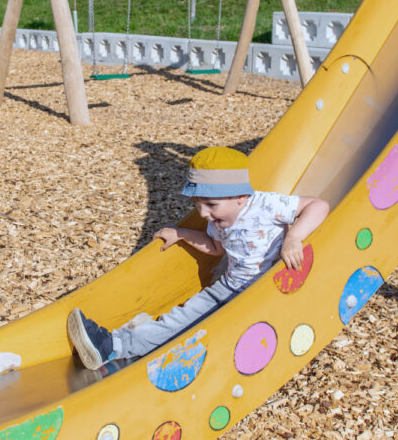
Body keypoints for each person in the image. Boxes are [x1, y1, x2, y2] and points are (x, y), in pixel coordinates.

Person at [67, 146, 329, 370]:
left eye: (211, 205)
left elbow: (318, 205)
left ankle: (120, 344)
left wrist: (294, 237)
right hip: (229, 287)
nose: (203, 213)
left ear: (241, 197)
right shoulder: (219, 218)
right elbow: (215, 248)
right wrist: (181, 233)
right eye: (197, 204)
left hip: (264, 291)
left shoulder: (266, 205)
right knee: (181, 317)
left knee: (192, 324)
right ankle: (113, 346)